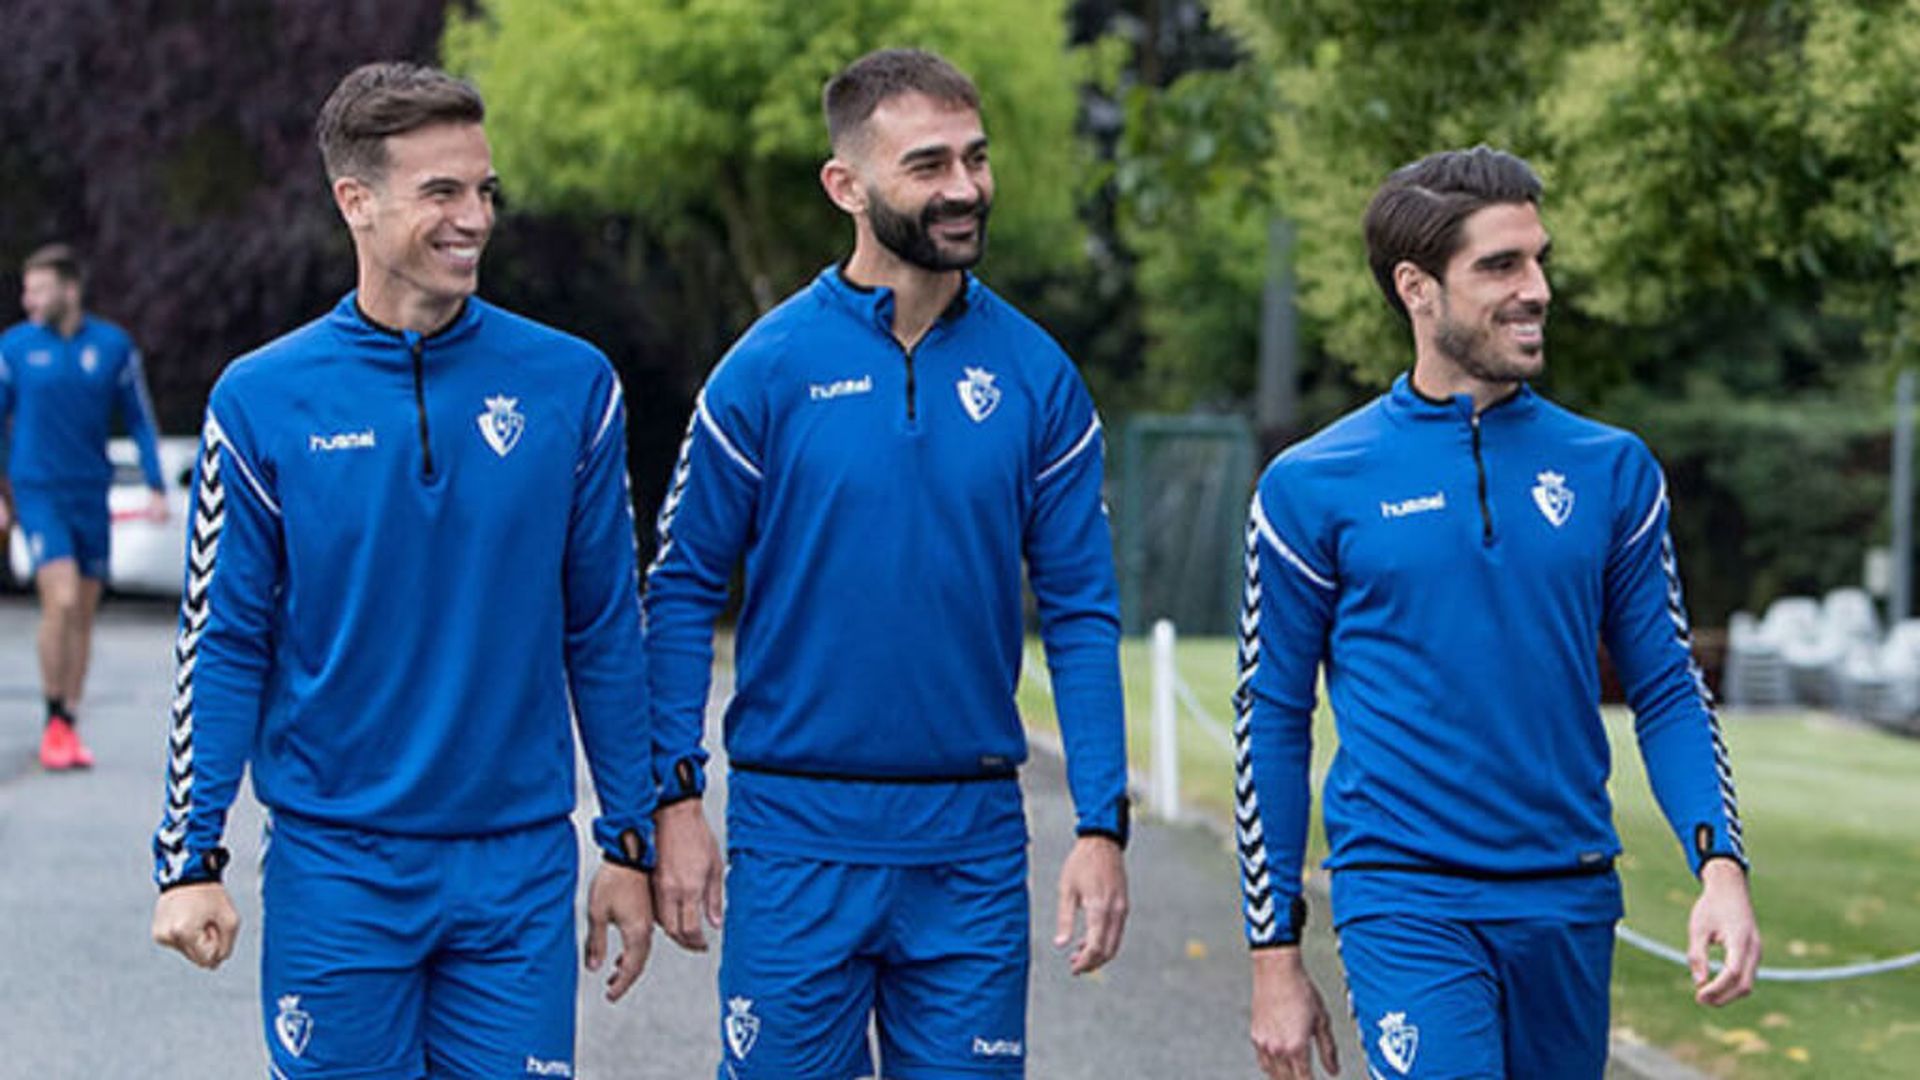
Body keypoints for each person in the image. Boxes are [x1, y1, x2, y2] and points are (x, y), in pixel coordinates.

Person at [147, 62, 657, 1076]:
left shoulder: (571, 386)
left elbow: (604, 628)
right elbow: (224, 637)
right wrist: (190, 857)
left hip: (514, 874)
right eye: (443, 192)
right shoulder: (261, 402)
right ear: (356, 201)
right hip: (337, 870)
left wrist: (629, 844)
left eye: (484, 191)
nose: (475, 217)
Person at [643, 47, 1130, 1079]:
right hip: (795, 833)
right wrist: (674, 798)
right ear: (846, 185)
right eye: (927, 164)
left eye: (975, 158)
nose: (963, 187)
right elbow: (682, 587)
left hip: (970, 844)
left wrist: (1101, 823)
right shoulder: (764, 371)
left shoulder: (1038, 378)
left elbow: (1083, 608)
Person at [1238, 146, 1762, 1080]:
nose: (1537, 289)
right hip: (1405, 898)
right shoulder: (1311, 487)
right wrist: (1275, 955)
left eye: (1539, 259)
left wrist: (1721, 871)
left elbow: (1669, 690)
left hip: (1571, 901)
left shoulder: (1613, 471)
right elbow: (1271, 720)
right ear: (1417, 288)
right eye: (1500, 265)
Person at [0, 243, 169, 770]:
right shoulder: (14, 348)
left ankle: (68, 721)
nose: (28, 300)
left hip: (90, 491)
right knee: (63, 598)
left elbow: (138, 418)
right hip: (38, 490)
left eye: (38, 288)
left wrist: (157, 484)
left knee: (85, 614)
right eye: (26, 290)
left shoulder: (113, 347)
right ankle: (53, 716)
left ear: (69, 290)